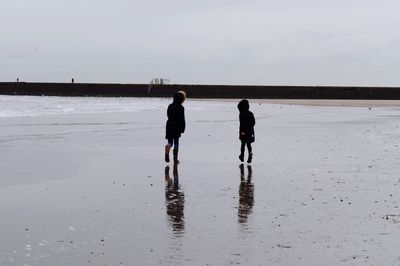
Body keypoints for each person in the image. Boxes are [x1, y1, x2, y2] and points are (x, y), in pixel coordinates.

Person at [165, 91, 186, 163]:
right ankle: (175, 159)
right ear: (182, 99)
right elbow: (182, 119)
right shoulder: (181, 108)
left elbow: (168, 115)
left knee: (170, 142)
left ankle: (168, 147)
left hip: (169, 124)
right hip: (177, 126)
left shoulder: (170, 106)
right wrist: (183, 128)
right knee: (176, 142)